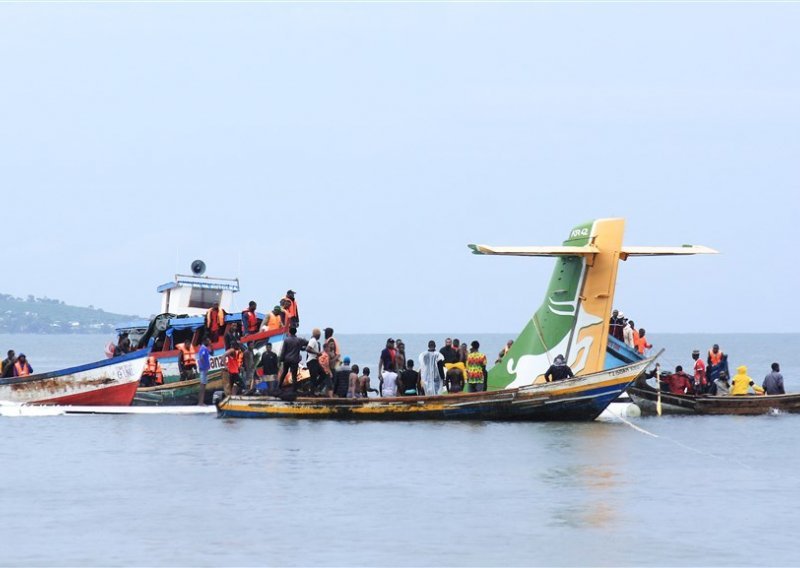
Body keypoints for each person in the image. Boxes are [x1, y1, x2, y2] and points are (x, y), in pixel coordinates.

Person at [278, 326, 306, 391]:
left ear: (289, 332)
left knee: (284, 372)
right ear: (296, 332)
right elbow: (307, 342)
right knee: (294, 375)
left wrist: (281, 359)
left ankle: (279, 387)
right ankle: (294, 389)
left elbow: (283, 351)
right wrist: (302, 348)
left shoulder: (286, 340)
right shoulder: (299, 340)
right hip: (294, 360)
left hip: (287, 359)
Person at [306, 328, 326, 393]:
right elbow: (308, 349)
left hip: (315, 360)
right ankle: (311, 391)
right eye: (319, 335)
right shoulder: (313, 340)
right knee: (313, 377)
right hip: (311, 361)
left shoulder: (315, 342)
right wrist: (317, 353)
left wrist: (318, 354)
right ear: (317, 335)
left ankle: (314, 387)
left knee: (323, 374)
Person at [196, 338, 213, 404]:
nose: (209, 342)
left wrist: (211, 346)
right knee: (202, 386)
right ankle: (200, 402)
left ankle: (201, 402)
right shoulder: (203, 349)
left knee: (203, 385)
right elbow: (201, 357)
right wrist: (204, 366)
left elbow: (211, 353)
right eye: (209, 341)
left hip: (204, 369)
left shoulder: (205, 349)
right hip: (203, 369)